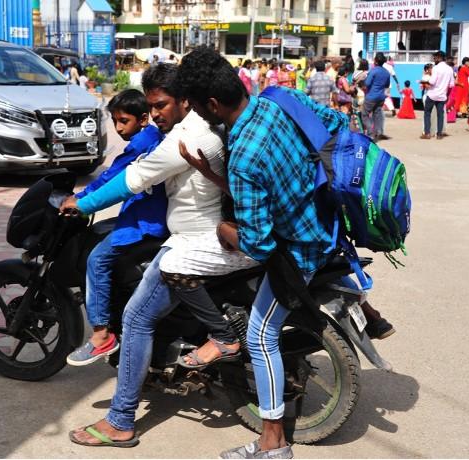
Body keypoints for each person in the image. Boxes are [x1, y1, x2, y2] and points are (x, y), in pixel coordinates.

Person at [176, 46, 349, 460]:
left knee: (260, 334)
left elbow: (259, 243)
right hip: (328, 222)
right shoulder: (282, 99)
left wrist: (223, 230)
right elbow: (336, 125)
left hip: (301, 249)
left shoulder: (245, 154)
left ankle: (274, 442)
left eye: (199, 109)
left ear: (214, 104)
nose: (199, 117)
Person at [64, 63, 233, 448]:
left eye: (161, 105)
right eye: (152, 106)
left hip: (193, 241)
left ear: (185, 101)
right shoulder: (196, 128)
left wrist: (85, 204)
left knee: (136, 318)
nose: (155, 114)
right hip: (199, 233)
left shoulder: (185, 139)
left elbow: (132, 180)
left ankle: (120, 420)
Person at [66, 89, 168, 366]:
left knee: (96, 260)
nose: (119, 127)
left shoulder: (142, 144)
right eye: (115, 121)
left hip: (145, 222)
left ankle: (101, 335)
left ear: (144, 118)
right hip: (144, 215)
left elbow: (113, 179)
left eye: (124, 121)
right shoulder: (150, 137)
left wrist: (80, 199)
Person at [420, 51, 453, 140]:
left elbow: (432, 82)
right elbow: (451, 85)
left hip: (432, 94)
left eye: (434, 58)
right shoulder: (449, 69)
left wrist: (424, 81)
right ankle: (439, 134)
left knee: (427, 113)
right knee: (440, 115)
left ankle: (427, 133)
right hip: (442, 96)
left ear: (439, 58)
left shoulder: (436, 68)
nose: (434, 60)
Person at [363, 52, 390, 140]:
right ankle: (378, 132)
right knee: (377, 114)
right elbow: (387, 85)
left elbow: (367, 83)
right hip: (381, 97)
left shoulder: (373, 71)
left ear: (375, 61)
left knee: (365, 114)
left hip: (371, 96)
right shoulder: (386, 72)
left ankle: (371, 132)